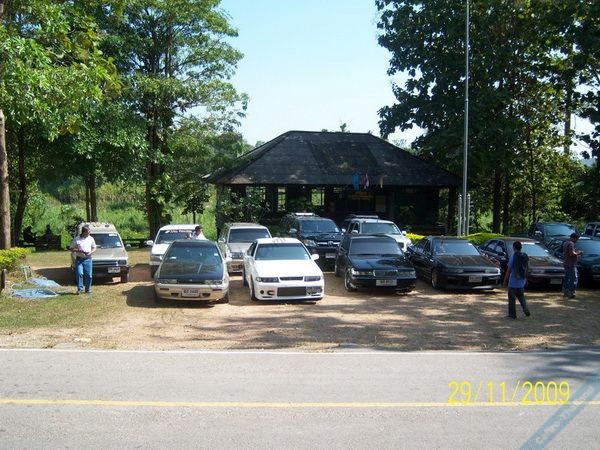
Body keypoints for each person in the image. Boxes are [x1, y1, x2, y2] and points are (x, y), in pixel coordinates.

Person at [503, 240, 531, 319]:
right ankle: (525, 308)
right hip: (522, 281)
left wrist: (505, 280)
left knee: (512, 300)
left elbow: (509, 270)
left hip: (513, 282)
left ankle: (512, 315)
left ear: (514, 248)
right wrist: (526, 278)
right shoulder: (525, 256)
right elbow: (527, 268)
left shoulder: (513, 257)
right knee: (521, 297)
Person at [69, 225, 97, 295]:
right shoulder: (77, 239)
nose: (89, 233)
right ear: (84, 232)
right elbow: (71, 248)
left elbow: (94, 248)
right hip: (79, 260)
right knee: (79, 273)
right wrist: (79, 250)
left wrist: (90, 252)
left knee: (89, 275)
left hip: (88, 259)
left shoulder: (91, 238)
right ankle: (80, 289)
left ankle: (88, 289)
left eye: (89, 232)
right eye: (88, 232)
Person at [562, 232, 582, 299]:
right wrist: (579, 253)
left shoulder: (566, 243)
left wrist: (575, 252)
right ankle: (571, 293)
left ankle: (565, 292)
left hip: (566, 263)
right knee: (573, 278)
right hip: (571, 264)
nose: (577, 240)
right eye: (577, 239)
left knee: (567, 278)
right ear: (574, 238)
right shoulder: (571, 243)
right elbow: (571, 254)